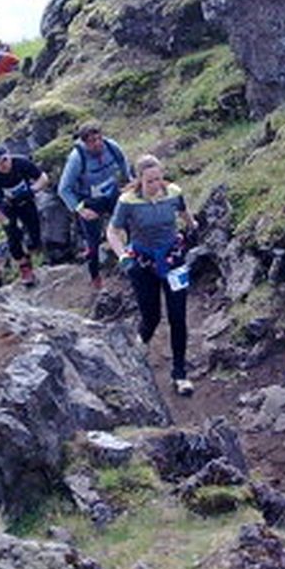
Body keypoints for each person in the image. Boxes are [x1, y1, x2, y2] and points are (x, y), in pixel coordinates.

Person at [106, 154, 196, 395]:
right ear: (139, 181)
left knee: (178, 317)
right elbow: (113, 231)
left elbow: (186, 215)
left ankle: (180, 374)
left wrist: (192, 229)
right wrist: (123, 256)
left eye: (159, 179)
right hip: (143, 262)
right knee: (152, 316)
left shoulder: (173, 192)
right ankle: (139, 345)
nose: (157, 186)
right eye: (150, 181)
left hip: (173, 259)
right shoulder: (128, 201)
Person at [57, 123, 130, 291]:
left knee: (130, 223)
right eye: (92, 141)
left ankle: (134, 261)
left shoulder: (111, 146)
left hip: (111, 194)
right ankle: (95, 277)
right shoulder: (77, 158)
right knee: (93, 242)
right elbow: (64, 189)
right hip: (89, 201)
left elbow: (122, 161)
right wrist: (80, 209)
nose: (97, 143)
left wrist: (129, 180)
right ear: (84, 143)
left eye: (99, 139)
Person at [0, 144, 46, 286]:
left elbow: (43, 178)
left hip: (25, 200)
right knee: (13, 237)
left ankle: (34, 254)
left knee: (34, 231)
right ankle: (24, 268)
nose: (3, 165)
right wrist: (3, 220)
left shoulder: (21, 163)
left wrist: (33, 190)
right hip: (6, 207)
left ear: (9, 156)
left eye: (5, 160)